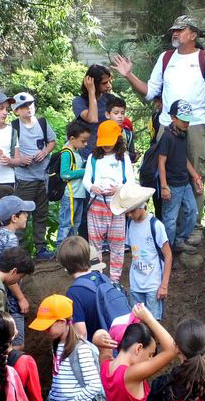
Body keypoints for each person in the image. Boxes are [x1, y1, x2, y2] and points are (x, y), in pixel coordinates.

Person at [111, 14, 205, 223]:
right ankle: (168, 227)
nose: (175, 33)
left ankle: (194, 228)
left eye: (180, 30)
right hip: (166, 126)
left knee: (196, 175)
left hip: (196, 126)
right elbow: (150, 92)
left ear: (193, 34)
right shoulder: (165, 58)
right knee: (166, 175)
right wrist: (129, 75)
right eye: (174, 30)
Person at [82, 119, 135, 283]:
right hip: (96, 204)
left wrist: (118, 189)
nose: (106, 146)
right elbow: (86, 180)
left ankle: (115, 280)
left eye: (109, 142)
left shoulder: (124, 158)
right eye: (103, 142)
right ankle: (96, 277)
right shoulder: (93, 158)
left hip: (117, 205)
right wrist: (92, 187)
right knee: (94, 245)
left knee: (117, 245)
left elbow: (130, 181)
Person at [0, 196, 36, 347]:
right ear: (14, 217)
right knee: (16, 344)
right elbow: (10, 272)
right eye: (24, 213)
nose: (27, 216)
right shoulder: (10, 239)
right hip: (7, 298)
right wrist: (21, 298)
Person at [112, 183, 172, 320]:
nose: (129, 215)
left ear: (141, 206)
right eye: (127, 212)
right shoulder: (130, 224)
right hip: (136, 285)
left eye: (132, 211)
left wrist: (164, 285)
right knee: (136, 321)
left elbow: (168, 255)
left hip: (153, 285)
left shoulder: (155, 225)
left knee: (153, 322)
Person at [11, 91, 56, 260]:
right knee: (21, 214)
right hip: (24, 178)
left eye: (30, 105)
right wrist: (20, 160)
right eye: (23, 107)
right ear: (16, 111)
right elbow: (9, 151)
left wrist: (44, 152)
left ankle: (41, 248)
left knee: (41, 214)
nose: (28, 109)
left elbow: (52, 142)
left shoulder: (43, 123)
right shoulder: (14, 127)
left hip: (43, 177)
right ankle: (20, 251)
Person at [158, 100, 204, 256]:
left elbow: (183, 159)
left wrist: (196, 176)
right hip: (172, 185)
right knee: (170, 220)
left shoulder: (182, 135)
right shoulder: (167, 136)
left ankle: (179, 241)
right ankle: (167, 251)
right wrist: (164, 186)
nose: (186, 123)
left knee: (192, 212)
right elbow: (161, 162)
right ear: (173, 118)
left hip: (185, 183)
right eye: (183, 120)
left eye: (188, 120)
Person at [59, 236, 109, 339]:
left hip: (94, 348)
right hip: (114, 342)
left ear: (66, 265)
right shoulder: (103, 278)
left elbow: (81, 333)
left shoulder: (74, 293)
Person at [73, 64, 115, 158]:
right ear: (94, 83)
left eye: (109, 82)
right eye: (104, 83)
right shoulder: (79, 102)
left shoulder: (111, 99)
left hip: (108, 151)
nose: (109, 86)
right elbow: (93, 118)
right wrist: (91, 92)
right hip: (87, 154)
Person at [58, 121, 90, 242]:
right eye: (83, 141)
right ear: (72, 139)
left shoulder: (76, 152)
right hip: (70, 194)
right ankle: (61, 249)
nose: (86, 144)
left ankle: (71, 250)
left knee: (75, 223)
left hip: (78, 193)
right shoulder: (67, 153)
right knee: (66, 223)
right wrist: (84, 171)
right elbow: (65, 173)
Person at [105, 96, 138, 163]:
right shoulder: (103, 131)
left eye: (122, 113)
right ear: (107, 115)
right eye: (116, 113)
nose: (120, 116)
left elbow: (132, 155)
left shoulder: (128, 134)